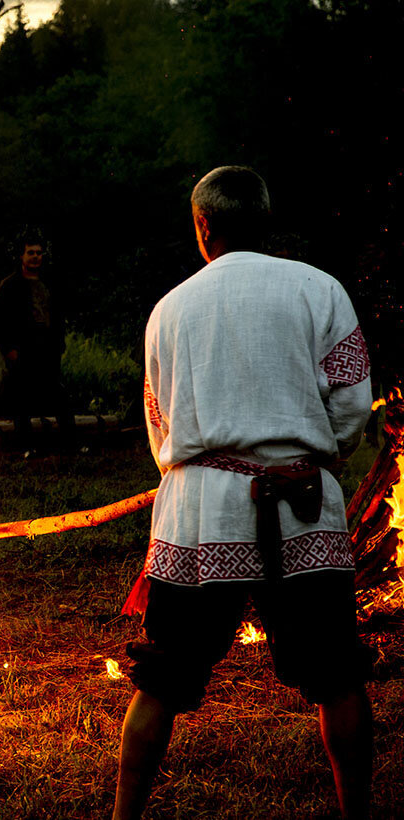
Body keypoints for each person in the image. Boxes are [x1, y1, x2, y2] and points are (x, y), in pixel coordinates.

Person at [113, 167, 374, 820]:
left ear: (203, 226)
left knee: (161, 681)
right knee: (337, 677)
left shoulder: (169, 310)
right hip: (303, 505)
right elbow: (351, 405)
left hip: (201, 513)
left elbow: (159, 423)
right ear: (265, 219)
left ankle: (123, 818)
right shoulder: (319, 290)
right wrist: (308, 456)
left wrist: (206, 469)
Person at [0, 231, 76, 453]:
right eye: (31, 253)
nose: (35, 257)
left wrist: (59, 343)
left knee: (59, 395)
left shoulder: (50, 283)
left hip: (47, 348)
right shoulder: (10, 285)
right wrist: (7, 349)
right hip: (22, 348)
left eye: (38, 253)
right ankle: (27, 447)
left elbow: (58, 315)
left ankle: (70, 444)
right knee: (22, 399)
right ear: (22, 256)